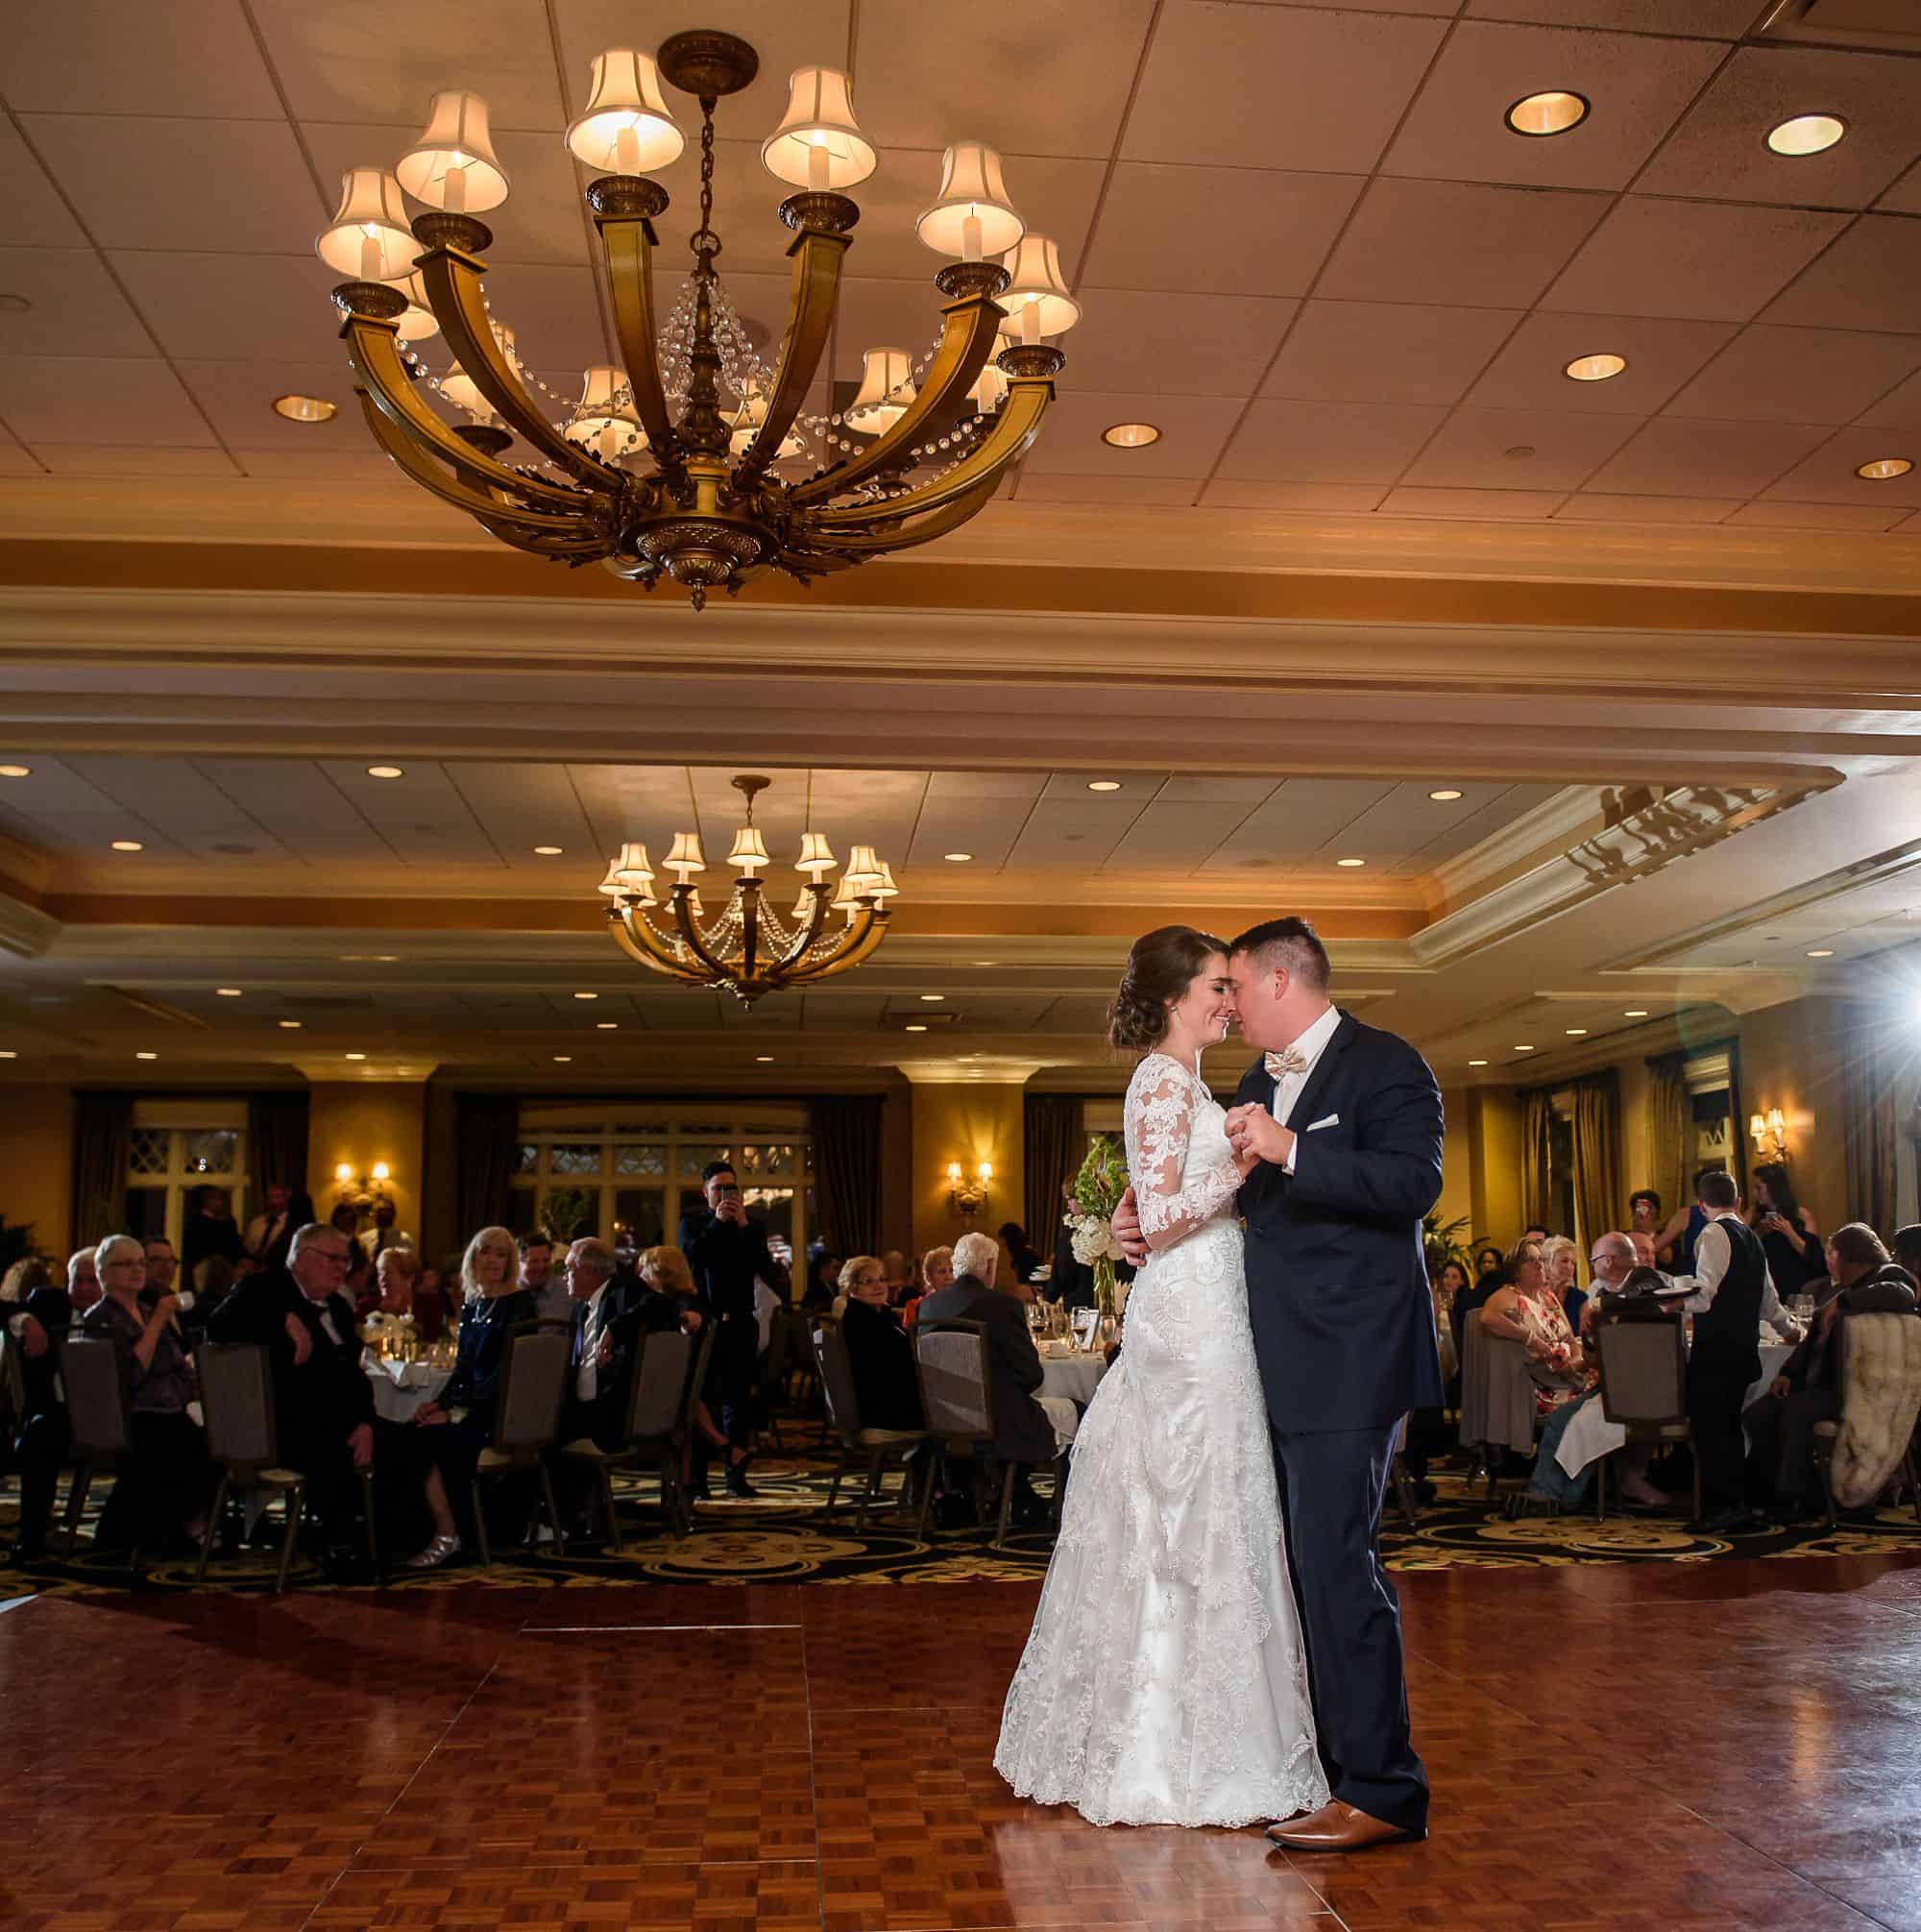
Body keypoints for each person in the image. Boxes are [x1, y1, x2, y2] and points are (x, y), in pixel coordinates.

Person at [1109, 915, 1442, 1849]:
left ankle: (1381, 1790)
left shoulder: (1386, 1064)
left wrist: (1291, 1146)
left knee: (1336, 1566)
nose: (1230, 1005)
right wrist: (1135, 1220)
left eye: (1238, 987)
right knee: (1293, 1568)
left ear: (1281, 980)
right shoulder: (1256, 1082)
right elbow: (1225, 1195)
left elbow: (1412, 1185)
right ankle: (1327, 1768)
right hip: (1264, 1359)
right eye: (1215, 988)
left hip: (1349, 1360)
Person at [997, 926, 1326, 1832]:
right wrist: (1245, 1165)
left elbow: (1151, 1202)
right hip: (1187, 1320)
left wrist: (1198, 1180)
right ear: (1176, 995)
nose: (1230, 1000)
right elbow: (1169, 1212)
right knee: (1189, 1499)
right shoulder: (1159, 1078)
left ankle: (1208, 1732)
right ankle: (1171, 1747)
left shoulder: (1187, 1081)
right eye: (1218, 985)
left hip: (1208, 1307)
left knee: (1211, 1498)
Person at [207, 1222, 377, 1576]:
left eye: (345, 1261)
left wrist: (365, 1421)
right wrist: (281, 1318)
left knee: (408, 1441)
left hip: (337, 1421)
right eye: (333, 1259)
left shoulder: (338, 1308)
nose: (341, 1268)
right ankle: (339, 1544)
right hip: (279, 1427)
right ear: (301, 1258)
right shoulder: (264, 1288)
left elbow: (355, 1375)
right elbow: (218, 1327)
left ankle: (394, 1537)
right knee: (332, 1448)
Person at [1743, 1224, 1917, 1520]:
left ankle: (1793, 1497)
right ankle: (1766, 1490)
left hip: (1860, 1391)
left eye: (1830, 1254)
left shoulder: (1888, 1275)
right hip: (1826, 1385)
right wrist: (1788, 1373)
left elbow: (1903, 1294)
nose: (1827, 1262)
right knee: (1757, 1413)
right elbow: (1811, 1340)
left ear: (1845, 1255)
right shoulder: (1839, 1289)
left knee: (1797, 1410)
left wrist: (1846, 1301)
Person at [408, 1227, 538, 1558]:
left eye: (501, 1254)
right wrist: (437, 1404)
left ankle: (448, 1534)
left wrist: (453, 1413)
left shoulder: (520, 1304)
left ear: (510, 1262)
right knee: (413, 1431)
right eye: (486, 1251)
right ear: (473, 1258)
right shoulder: (473, 1305)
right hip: (475, 1407)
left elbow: (505, 1375)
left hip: (501, 1413)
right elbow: (463, 1369)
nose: (493, 1260)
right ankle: (423, 1531)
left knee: (434, 1439)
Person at [79, 1235, 211, 1554]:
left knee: (220, 1436)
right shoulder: (100, 1318)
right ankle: (184, 1528)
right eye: (126, 1264)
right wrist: (159, 1320)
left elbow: (177, 1366)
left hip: (170, 1409)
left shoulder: (148, 1309)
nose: (137, 1270)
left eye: (141, 1263)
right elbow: (132, 1376)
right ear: (103, 1273)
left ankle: (179, 1527)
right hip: (129, 1415)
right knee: (184, 1443)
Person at [920, 1229, 1058, 1530]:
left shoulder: (928, 1306)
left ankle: (1008, 1492)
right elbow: (1031, 1374)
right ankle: (1048, 1504)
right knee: (1075, 1410)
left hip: (942, 1417)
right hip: (998, 1421)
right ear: (990, 1266)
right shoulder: (1003, 1305)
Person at [1666, 1170, 1772, 1533]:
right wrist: (1788, 1330)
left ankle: (1720, 1509)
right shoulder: (1752, 1238)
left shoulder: (1713, 1233)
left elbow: (1704, 1294)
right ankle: (1736, 1505)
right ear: (1738, 1202)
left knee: (1711, 1430)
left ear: (1701, 1205)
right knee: (1729, 1428)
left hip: (1716, 1351)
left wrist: (1675, 1304)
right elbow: (1769, 1298)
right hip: (1745, 1349)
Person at [680, 1161, 775, 1498]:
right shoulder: (693, 1224)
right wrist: (718, 1223)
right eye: (718, 1188)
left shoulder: (752, 1227)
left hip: (742, 1322)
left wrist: (743, 1226)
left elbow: (766, 1270)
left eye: (731, 1188)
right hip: (706, 1323)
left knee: (739, 1401)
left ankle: (736, 1476)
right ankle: (699, 1479)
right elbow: (695, 1258)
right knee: (704, 1399)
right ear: (705, 1192)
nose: (725, 1194)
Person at [5, 1256, 77, 1562]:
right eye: (80, 1280)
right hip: (58, 1410)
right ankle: (31, 1535)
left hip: (130, 1410)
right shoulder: (52, 1304)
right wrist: (26, 1320)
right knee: (41, 1430)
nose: (87, 1287)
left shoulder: (132, 1309)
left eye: (94, 1281)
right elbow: (4, 1306)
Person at [839, 1255, 924, 1431]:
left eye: (881, 1280)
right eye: (869, 1281)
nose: (878, 1286)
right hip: (883, 1411)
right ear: (852, 1287)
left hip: (890, 1400)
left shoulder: (882, 1314)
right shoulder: (859, 1322)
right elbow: (892, 1367)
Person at [1750, 1162, 1822, 1297]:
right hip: (1766, 1286)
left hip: (1797, 1286)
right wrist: (1758, 1233)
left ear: (1774, 1187)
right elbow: (1746, 1253)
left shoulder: (1800, 1215)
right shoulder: (1753, 1215)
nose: (1755, 1193)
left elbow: (1815, 1256)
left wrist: (1789, 1232)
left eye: (1759, 1188)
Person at [520, 1233, 569, 1327]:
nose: (541, 1267)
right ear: (518, 1264)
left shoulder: (568, 1292)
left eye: (546, 1260)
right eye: (534, 1261)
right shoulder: (507, 1293)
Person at [1542, 1235, 1584, 1338]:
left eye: (1573, 1263)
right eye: (1564, 1261)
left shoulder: (1580, 1298)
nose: (1570, 1267)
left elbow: (1583, 1338)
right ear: (1547, 1263)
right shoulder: (1534, 1295)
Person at [243, 1183, 296, 1267]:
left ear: (286, 1199)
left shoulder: (291, 1224)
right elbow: (247, 1250)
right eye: (269, 1197)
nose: (273, 1201)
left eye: (277, 1197)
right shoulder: (256, 1223)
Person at [902, 1244, 952, 1329]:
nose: (949, 1277)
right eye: (942, 1271)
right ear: (928, 1277)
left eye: (952, 1270)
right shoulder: (914, 1306)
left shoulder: (966, 1304)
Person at [998, 1222, 1044, 1288]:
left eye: (1002, 1238)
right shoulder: (1019, 1252)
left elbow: (1025, 1280)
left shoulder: (1025, 1254)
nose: (1000, 1241)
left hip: (1033, 1289)